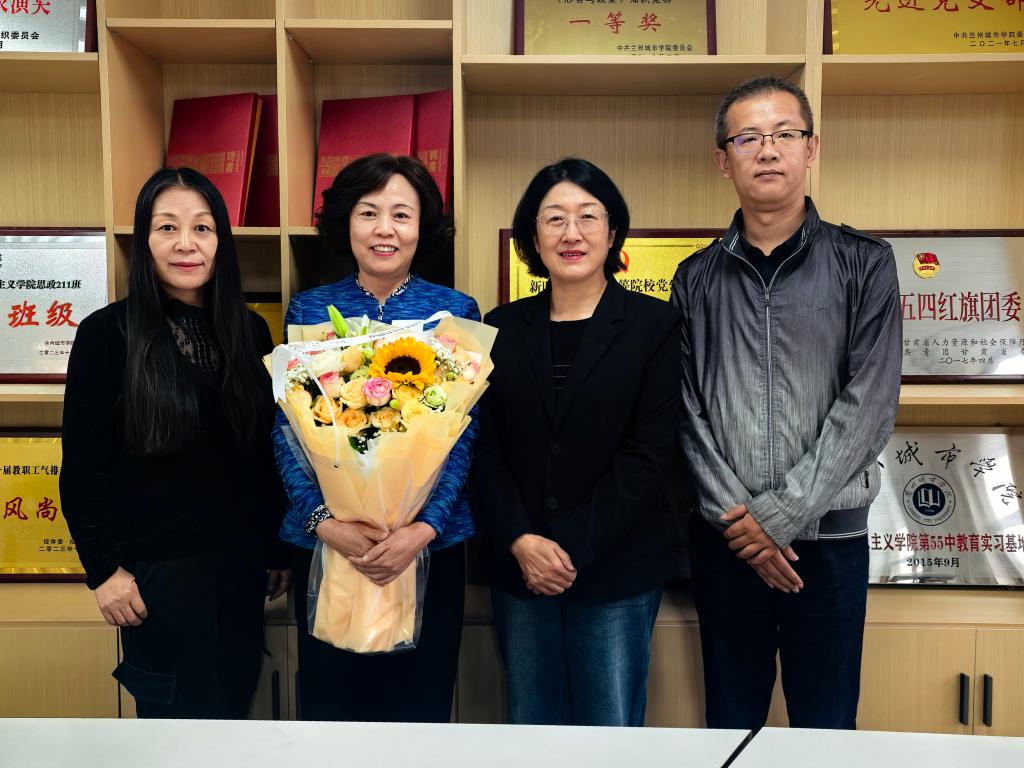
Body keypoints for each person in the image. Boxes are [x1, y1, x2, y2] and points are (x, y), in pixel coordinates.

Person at [670, 75, 902, 730]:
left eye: (784, 134)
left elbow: (870, 403)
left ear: (811, 148)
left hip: (829, 543)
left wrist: (780, 515)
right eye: (748, 138)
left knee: (825, 727)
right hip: (727, 542)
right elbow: (685, 412)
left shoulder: (865, 263)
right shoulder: (695, 278)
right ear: (724, 160)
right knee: (730, 723)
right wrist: (742, 523)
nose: (767, 150)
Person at [60, 167, 290, 719]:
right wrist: (104, 571)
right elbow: (83, 467)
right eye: (167, 227)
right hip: (156, 580)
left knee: (234, 713)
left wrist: (276, 549)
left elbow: (262, 457)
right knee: (175, 731)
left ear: (221, 241)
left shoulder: (249, 331)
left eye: (202, 228)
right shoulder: (107, 334)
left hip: (240, 570)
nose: (186, 243)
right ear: (145, 240)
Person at [473, 157, 686, 726]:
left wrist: (563, 549)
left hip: (615, 569)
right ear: (533, 237)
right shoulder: (500, 328)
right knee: (531, 725)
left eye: (588, 216)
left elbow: (648, 455)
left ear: (613, 233)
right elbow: (484, 449)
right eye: (555, 219)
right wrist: (521, 540)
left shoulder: (654, 326)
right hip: (521, 569)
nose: (572, 233)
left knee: (609, 732)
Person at [275, 153, 479, 723]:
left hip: (429, 548)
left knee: (420, 710)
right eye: (368, 213)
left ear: (423, 226)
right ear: (346, 222)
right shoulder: (310, 309)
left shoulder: (454, 311)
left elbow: (465, 434)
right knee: (332, 711)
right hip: (330, 545)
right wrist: (324, 521)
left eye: (401, 214)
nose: (384, 229)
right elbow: (287, 429)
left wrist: (423, 527)